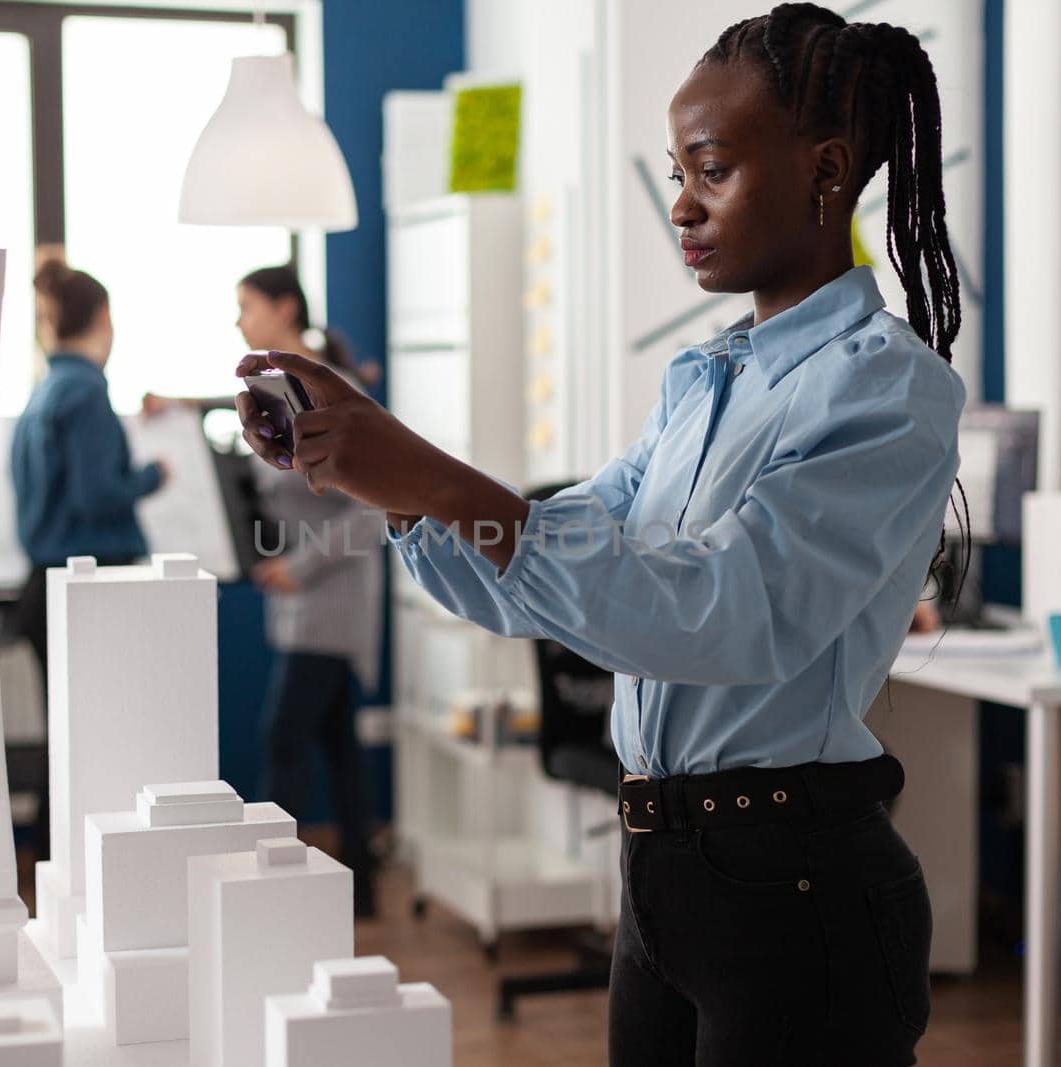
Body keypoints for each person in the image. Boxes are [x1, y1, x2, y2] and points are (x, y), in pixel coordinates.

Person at [235, 5, 964, 1064]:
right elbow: (537, 573)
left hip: (795, 888)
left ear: (826, 170)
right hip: (664, 877)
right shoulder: (702, 379)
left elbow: (716, 613)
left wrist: (427, 471)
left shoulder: (886, 390)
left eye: (710, 169)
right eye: (675, 171)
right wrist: (382, 478)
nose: (681, 204)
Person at [154, 265, 385, 916]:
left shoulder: (328, 390)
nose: (239, 320)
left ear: (285, 309)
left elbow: (371, 512)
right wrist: (176, 408)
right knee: (339, 748)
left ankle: (269, 887)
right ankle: (362, 888)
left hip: (328, 600)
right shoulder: (285, 388)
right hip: (305, 601)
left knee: (284, 737)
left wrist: (301, 567)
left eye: (247, 306)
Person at [11, 260, 168, 673]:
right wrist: (154, 475)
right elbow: (96, 493)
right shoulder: (86, 392)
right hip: (90, 589)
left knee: (69, 734)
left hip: (47, 585)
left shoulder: (45, 391)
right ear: (104, 317)